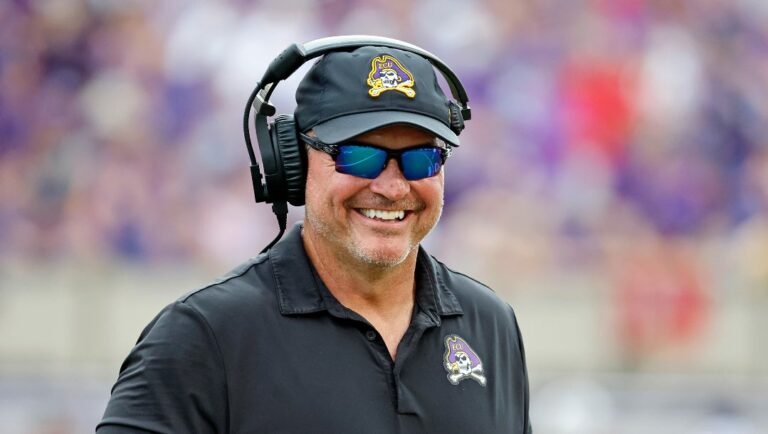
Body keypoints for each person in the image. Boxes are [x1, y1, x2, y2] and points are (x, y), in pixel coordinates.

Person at [97, 38, 531, 433]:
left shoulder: (490, 323)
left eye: (421, 159)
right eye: (360, 157)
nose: (393, 186)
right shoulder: (203, 335)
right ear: (294, 163)